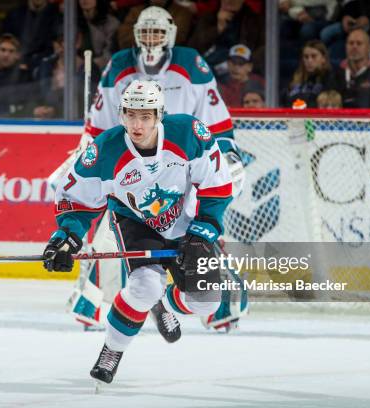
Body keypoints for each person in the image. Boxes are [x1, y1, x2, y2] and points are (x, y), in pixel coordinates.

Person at [63, 6, 244, 333]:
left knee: (200, 227)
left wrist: (226, 152)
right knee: (111, 227)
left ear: (171, 33)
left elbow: (214, 119)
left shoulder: (191, 64)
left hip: (182, 167)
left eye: (157, 32)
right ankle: (92, 299)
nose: (151, 39)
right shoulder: (120, 65)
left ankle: (215, 302)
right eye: (145, 32)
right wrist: (87, 151)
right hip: (132, 161)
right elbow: (100, 124)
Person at [42, 80, 235, 384]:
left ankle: (166, 303)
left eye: (145, 116)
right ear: (121, 114)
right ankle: (112, 350)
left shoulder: (188, 133)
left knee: (206, 301)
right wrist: (66, 236)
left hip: (185, 221)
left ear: (160, 115)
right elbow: (76, 199)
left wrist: (205, 229)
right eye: (131, 115)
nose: (137, 124)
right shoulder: (105, 150)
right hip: (135, 222)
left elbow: (217, 185)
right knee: (144, 286)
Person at [1, 0, 63, 70]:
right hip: (18, 62)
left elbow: (55, 47)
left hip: (45, 64)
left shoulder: (55, 15)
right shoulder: (14, 15)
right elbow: (6, 42)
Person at [283, 40, 337, 107]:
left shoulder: (332, 77)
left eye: (314, 56)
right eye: (306, 57)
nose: (309, 60)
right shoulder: (295, 78)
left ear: (324, 58)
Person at [78, 0, 121, 71]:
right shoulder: (72, 21)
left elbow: (110, 51)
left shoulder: (112, 23)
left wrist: (92, 64)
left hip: (102, 69)